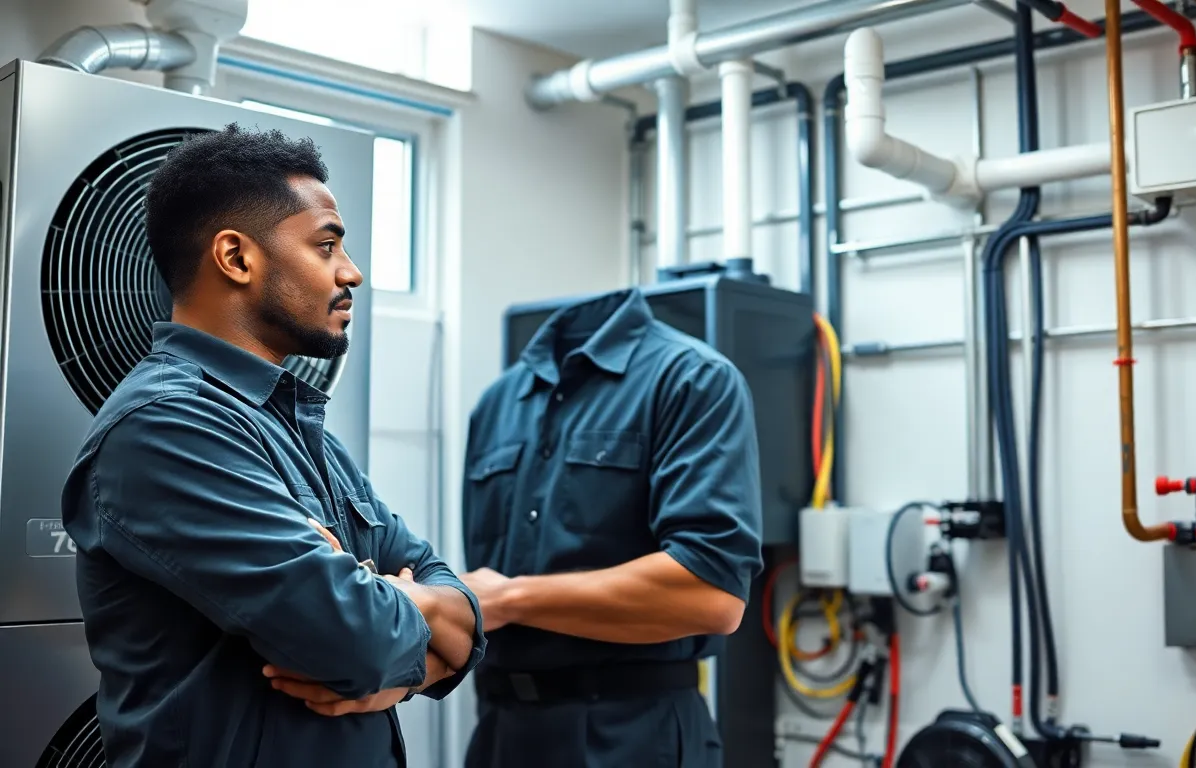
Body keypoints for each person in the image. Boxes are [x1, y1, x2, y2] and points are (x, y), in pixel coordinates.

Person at [60, 123, 486, 768]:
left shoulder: (291, 421)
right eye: (326, 245)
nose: (353, 272)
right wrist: (401, 627)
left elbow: (451, 596)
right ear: (236, 258)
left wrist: (401, 617)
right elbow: (360, 642)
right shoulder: (168, 426)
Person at [458, 288, 764, 767]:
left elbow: (711, 592)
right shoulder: (499, 401)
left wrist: (509, 598)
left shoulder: (693, 378)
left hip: (632, 736)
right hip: (501, 732)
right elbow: (478, 594)